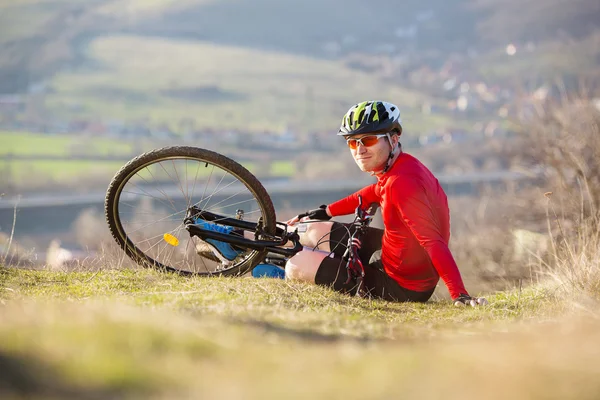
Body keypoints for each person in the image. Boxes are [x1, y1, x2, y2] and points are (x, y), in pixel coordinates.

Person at [197, 100, 487, 306]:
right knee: (310, 229)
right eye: (352, 142)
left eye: (369, 140)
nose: (360, 149)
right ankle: (238, 241)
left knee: (298, 264)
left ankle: (261, 268)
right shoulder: (401, 168)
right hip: (391, 253)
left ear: (393, 138)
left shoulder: (403, 183)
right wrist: (326, 210)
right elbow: (373, 193)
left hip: (403, 287)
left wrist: (459, 295)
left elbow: (433, 243)